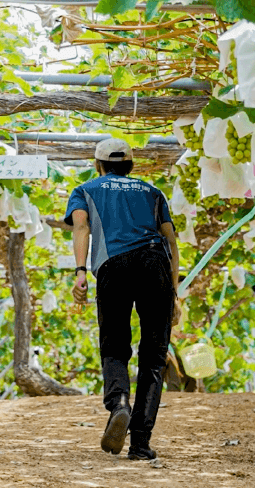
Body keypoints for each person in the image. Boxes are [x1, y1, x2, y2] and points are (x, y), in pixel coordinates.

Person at [64, 138, 179, 461]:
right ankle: (140, 442)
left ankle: (119, 404)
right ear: (131, 166)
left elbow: (81, 227)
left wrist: (80, 271)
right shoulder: (152, 192)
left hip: (113, 265)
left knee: (115, 345)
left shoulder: (86, 189)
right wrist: (174, 293)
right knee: (154, 357)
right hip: (156, 264)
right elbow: (171, 241)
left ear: (98, 164)